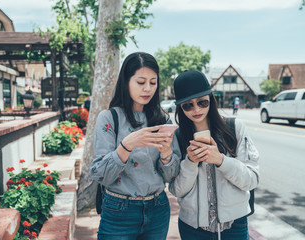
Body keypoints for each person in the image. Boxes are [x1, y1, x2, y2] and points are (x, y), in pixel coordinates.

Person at [90, 52, 181, 240]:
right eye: (140, 82)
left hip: (158, 209)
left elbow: (172, 176)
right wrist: (127, 145)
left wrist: (166, 154)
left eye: (153, 82)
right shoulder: (109, 118)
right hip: (119, 211)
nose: (147, 88)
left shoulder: (163, 120)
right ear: (126, 81)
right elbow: (100, 174)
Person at [169, 70, 259, 240]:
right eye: (188, 105)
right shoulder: (179, 137)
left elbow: (252, 180)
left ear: (211, 98)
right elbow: (177, 190)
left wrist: (221, 160)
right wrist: (190, 162)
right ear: (180, 107)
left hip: (234, 225)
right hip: (192, 228)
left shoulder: (234, 128)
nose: (196, 109)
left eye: (202, 102)